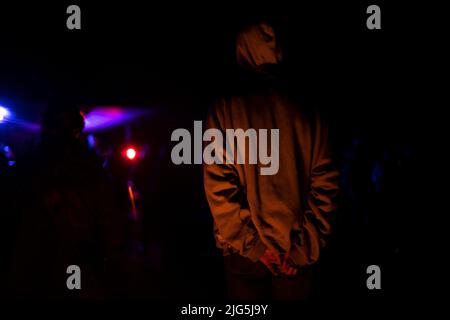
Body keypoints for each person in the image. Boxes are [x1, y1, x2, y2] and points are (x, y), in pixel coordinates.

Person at [203, 22, 339, 300]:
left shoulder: (225, 108)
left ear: (242, 50)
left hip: (245, 257)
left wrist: (253, 246)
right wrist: (302, 249)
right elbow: (326, 185)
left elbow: (217, 187)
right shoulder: (309, 108)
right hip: (295, 256)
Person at [10, 104, 126, 299]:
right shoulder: (88, 170)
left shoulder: (29, 166)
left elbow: (107, 219)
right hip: (48, 259)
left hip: (62, 259)